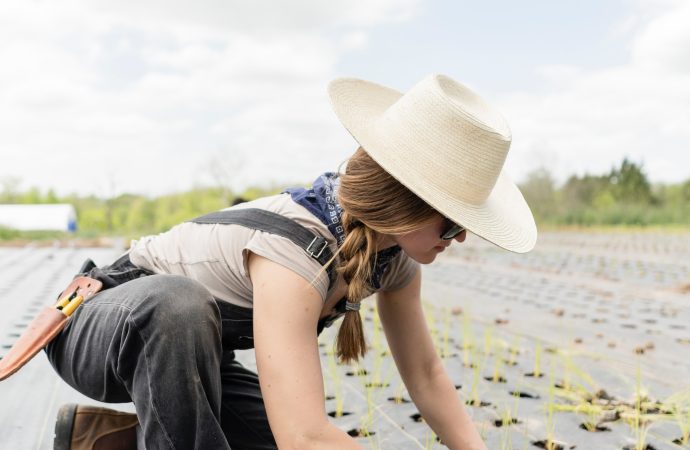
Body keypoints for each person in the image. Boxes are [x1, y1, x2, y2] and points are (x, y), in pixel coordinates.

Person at [48, 74, 537, 450]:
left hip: (191, 366)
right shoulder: (293, 254)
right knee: (178, 304)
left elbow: (427, 374)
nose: (462, 237)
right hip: (98, 327)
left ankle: (102, 439)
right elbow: (304, 435)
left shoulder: (393, 262)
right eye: (451, 223)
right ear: (404, 204)